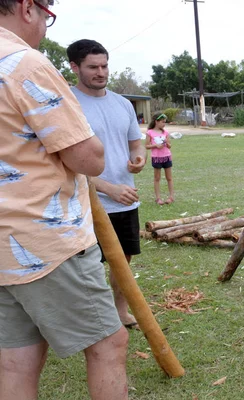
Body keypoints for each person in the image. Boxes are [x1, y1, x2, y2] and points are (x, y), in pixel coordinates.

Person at [0, 1, 128, 398]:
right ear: (26, 7)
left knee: (15, 358)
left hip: (4, 246)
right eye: (46, 15)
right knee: (108, 344)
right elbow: (88, 158)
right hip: (42, 237)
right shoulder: (26, 64)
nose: (44, 25)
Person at [67, 39, 146, 329]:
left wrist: (138, 159)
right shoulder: (67, 104)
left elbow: (136, 145)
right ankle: (90, 318)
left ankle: (120, 311)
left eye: (104, 65)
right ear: (74, 67)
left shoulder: (122, 104)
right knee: (85, 265)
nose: (101, 72)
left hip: (124, 198)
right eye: (93, 67)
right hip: (82, 201)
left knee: (122, 261)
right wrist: (108, 188)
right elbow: (64, 161)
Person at [146, 113, 175, 205]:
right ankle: (158, 198)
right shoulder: (149, 132)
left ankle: (171, 197)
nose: (164, 124)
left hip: (166, 157)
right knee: (157, 178)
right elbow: (146, 146)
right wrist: (155, 145)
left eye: (165, 122)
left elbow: (169, 146)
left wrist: (166, 142)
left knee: (169, 178)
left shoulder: (165, 133)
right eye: (162, 122)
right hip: (156, 158)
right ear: (156, 122)